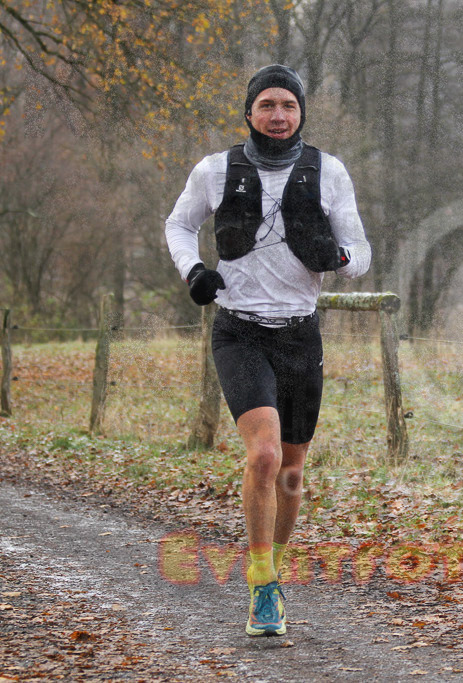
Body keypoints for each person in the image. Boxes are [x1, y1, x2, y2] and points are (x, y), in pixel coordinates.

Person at [164, 64, 371, 636]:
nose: (278, 115)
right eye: (267, 105)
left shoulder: (329, 172)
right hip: (240, 330)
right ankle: (260, 587)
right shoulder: (213, 169)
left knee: (293, 469)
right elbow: (178, 225)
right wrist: (194, 272)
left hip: (300, 335)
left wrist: (340, 258)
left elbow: (362, 252)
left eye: (288, 105)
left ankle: (272, 574)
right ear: (249, 112)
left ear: (301, 112)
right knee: (264, 457)